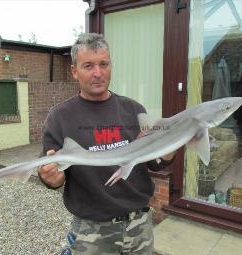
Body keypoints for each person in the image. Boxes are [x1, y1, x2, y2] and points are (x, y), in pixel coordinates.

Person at [38, 33, 175, 254]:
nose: (98, 73)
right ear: (75, 71)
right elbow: (52, 175)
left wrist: (169, 149)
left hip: (139, 224)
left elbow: (155, 163)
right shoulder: (60, 117)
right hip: (92, 230)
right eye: (88, 66)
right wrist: (51, 177)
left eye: (104, 64)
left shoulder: (134, 110)